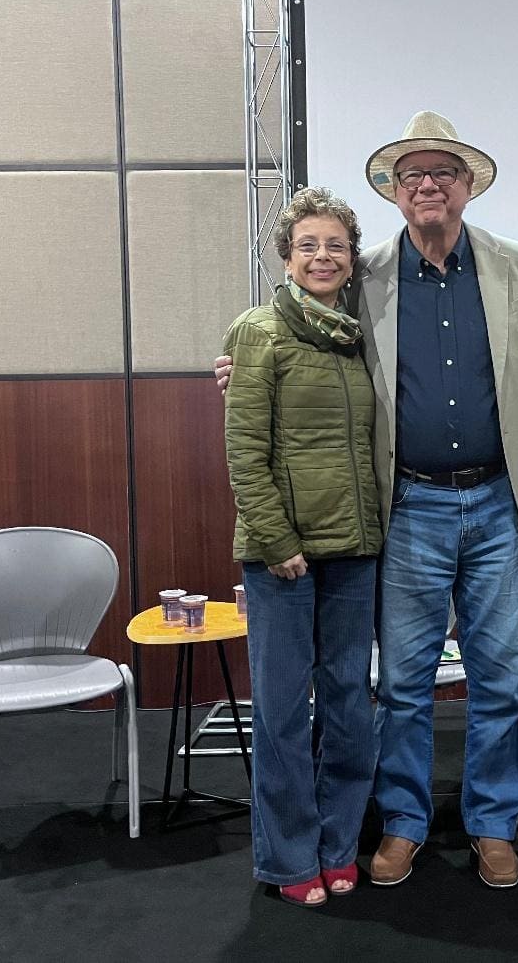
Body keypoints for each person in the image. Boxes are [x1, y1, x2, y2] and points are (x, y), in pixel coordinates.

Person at [217, 111, 518, 889]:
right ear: (394, 194)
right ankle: (403, 821)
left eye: (443, 172)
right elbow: (295, 342)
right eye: (412, 175)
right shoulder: (363, 273)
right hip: (407, 509)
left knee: (500, 678)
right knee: (401, 684)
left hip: (500, 508)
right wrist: (240, 365)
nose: (428, 184)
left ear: (468, 186)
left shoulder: (517, 267)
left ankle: (492, 823)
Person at [222, 186, 381, 907]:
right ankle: (288, 858)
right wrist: (277, 538)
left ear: (352, 261)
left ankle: (338, 845)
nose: (323, 257)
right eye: (308, 245)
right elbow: (244, 450)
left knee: (350, 705)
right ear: (285, 256)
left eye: (336, 246)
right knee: (284, 712)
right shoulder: (258, 332)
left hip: (355, 550)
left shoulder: (359, 335)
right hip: (280, 556)